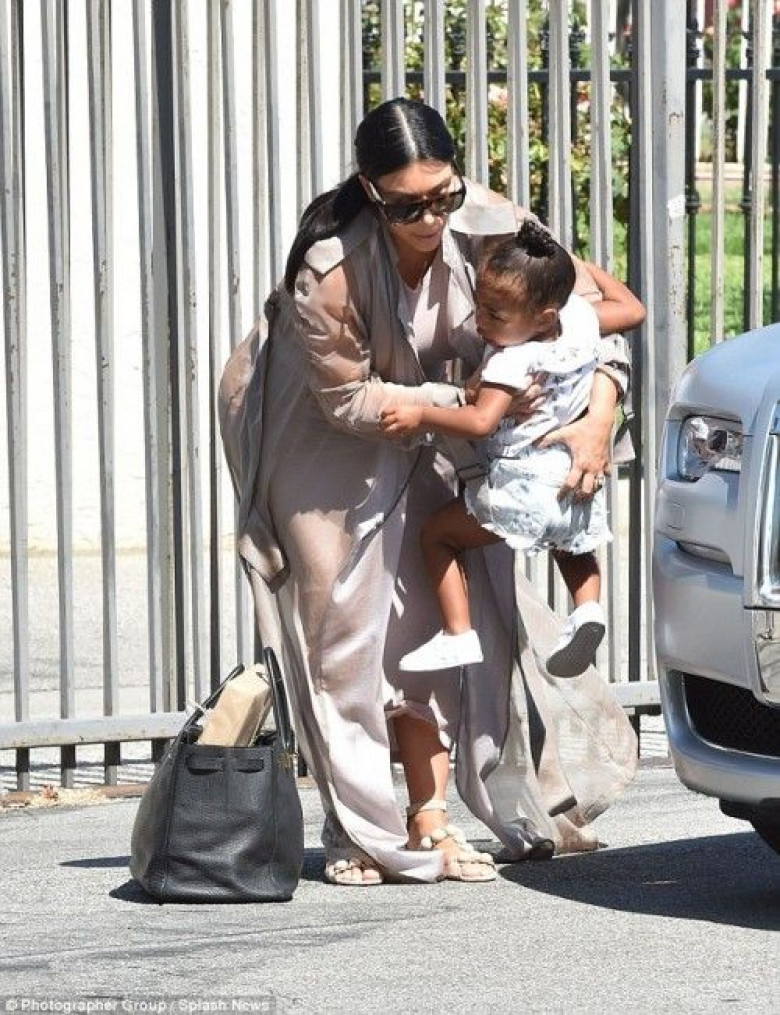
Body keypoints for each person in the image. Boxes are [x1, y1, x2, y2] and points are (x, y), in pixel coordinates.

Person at [219, 97, 642, 887]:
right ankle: (357, 827)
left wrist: (597, 417)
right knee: (345, 633)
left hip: (450, 424)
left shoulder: (491, 222)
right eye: (405, 205)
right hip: (324, 442)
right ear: (369, 191)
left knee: (439, 620)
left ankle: (430, 815)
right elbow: (347, 401)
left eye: (442, 195)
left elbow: (587, 321)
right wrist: (468, 405)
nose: (429, 219)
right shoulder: (329, 269)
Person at [380, 220, 645, 679]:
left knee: (437, 535)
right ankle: (587, 610)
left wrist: (420, 414)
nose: (480, 323)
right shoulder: (579, 323)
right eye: (480, 308)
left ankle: (458, 632)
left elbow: (480, 422)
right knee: (570, 547)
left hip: (521, 485)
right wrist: (580, 269)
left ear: (542, 317)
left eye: (495, 315)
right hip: (572, 478)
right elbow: (632, 309)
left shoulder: (511, 360)